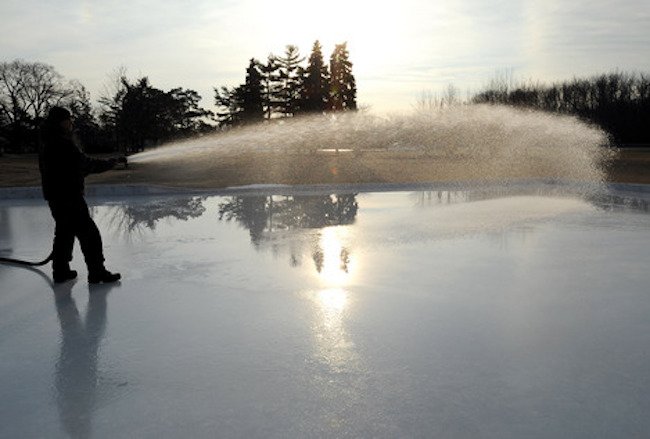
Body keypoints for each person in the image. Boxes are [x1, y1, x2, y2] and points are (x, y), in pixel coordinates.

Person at [39, 106, 124, 284]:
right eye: (69, 119)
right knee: (90, 235)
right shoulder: (62, 143)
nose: (71, 122)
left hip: (56, 198)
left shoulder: (49, 142)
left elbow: (71, 169)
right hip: (69, 198)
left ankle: (60, 271)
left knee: (64, 233)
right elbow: (84, 165)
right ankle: (97, 272)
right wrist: (112, 162)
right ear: (61, 122)